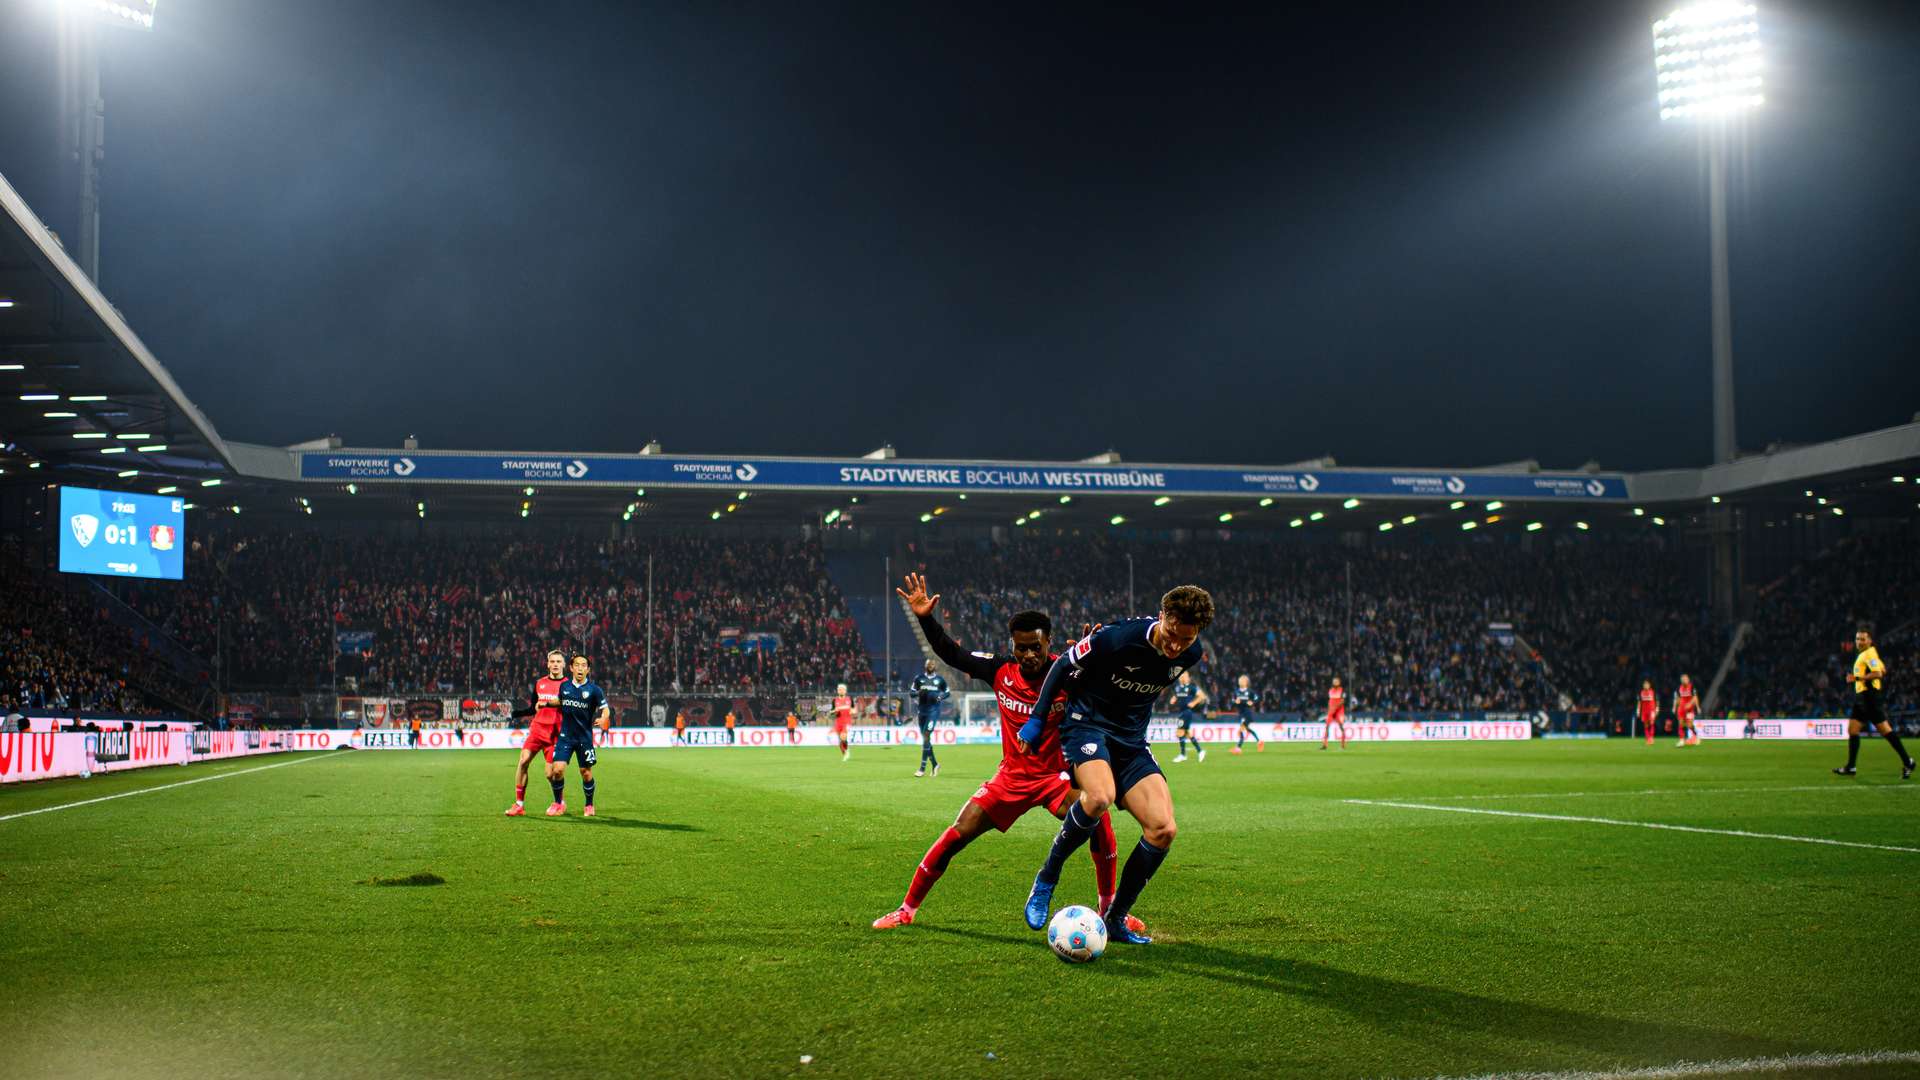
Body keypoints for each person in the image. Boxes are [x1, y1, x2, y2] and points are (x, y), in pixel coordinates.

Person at [872, 573, 1143, 936]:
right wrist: (924, 618)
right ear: (1012, 644)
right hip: (1011, 778)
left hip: (1055, 780)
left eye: (1036, 646)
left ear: (1049, 643)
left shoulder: (1068, 673)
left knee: (1099, 818)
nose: (1029, 654)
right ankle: (906, 910)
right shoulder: (999, 669)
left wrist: (1097, 657)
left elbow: (1110, 689)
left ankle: (1110, 911)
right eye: (1021, 647)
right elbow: (953, 654)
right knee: (957, 833)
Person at [1015, 584, 1214, 946]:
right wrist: (1038, 718)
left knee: (1163, 829)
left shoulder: (1191, 653)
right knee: (1099, 796)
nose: (1174, 647)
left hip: (1131, 741)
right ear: (1163, 616)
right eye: (1171, 635)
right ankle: (1047, 876)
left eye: (1184, 641)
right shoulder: (1118, 638)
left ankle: (1116, 917)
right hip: (1086, 725)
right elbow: (1062, 664)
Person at [1833, 625, 1914, 779]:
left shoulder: (1868, 654)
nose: (1859, 642)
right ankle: (1851, 767)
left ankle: (1908, 761)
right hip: (1861, 698)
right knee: (1853, 730)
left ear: (1870, 640)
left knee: (1885, 731)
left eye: (1863, 639)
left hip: (1869, 697)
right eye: (1857, 639)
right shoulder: (1868, 654)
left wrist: (1857, 678)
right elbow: (1882, 669)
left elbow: (1878, 673)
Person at [504, 650, 567, 816]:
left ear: (564, 665)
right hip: (537, 729)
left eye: (558, 662)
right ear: (547, 664)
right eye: (552, 661)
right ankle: (519, 805)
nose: (555, 664)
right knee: (523, 761)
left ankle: (559, 802)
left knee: (551, 774)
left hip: (555, 733)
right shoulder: (540, 683)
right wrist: (517, 713)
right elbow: (534, 707)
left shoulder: (569, 685)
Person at [550, 654, 610, 817]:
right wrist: (545, 703)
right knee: (557, 770)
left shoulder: (594, 690)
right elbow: (560, 701)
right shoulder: (564, 687)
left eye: (584, 665)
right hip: (566, 736)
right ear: (571, 668)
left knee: (586, 772)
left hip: (584, 738)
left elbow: (605, 708)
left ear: (588, 670)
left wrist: (603, 717)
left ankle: (589, 805)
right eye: (577, 665)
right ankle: (558, 803)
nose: (580, 668)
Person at [909, 659, 950, 778]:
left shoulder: (940, 680)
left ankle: (922, 768)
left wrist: (940, 697)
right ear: (925, 666)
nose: (930, 666)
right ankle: (935, 765)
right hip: (922, 712)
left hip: (933, 712)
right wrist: (918, 693)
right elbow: (911, 693)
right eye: (928, 664)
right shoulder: (919, 678)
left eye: (932, 664)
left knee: (926, 735)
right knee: (926, 739)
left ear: (935, 666)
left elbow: (947, 692)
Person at [1170, 671, 1208, 763]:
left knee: (1179, 732)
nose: (1182, 678)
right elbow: (1176, 696)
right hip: (1181, 712)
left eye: (1184, 676)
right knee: (1187, 733)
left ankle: (1183, 755)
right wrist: (1173, 699)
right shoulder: (1178, 688)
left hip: (1187, 712)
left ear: (1188, 678)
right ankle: (1200, 751)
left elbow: (1202, 696)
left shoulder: (1191, 688)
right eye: (1181, 676)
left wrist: (1194, 703)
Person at [1229, 674, 1263, 754]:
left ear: (1246, 682)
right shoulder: (1236, 692)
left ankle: (1238, 748)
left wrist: (1252, 702)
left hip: (1247, 713)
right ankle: (1259, 741)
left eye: (1242, 680)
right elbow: (1232, 700)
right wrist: (1235, 702)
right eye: (1240, 680)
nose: (1240, 682)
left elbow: (1257, 698)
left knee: (1241, 729)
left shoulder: (1250, 692)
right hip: (1241, 713)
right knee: (1246, 729)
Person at [1673, 674, 1699, 748]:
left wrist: (1691, 704)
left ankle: (1695, 736)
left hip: (1690, 709)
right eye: (1682, 679)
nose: (1684, 680)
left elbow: (1695, 698)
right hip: (1681, 709)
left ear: (1688, 679)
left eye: (1685, 678)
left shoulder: (1692, 687)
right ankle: (1681, 740)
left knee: (1689, 724)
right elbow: (1677, 698)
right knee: (1681, 723)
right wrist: (1675, 707)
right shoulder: (1679, 688)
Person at [1322, 676, 1348, 750]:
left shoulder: (1342, 690)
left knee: (1341, 727)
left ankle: (1343, 745)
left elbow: (1342, 701)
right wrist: (1329, 709)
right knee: (1327, 727)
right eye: (1334, 681)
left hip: (1338, 711)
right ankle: (1325, 745)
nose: (1335, 682)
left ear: (1339, 682)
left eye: (1336, 681)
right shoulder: (1330, 690)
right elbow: (1330, 701)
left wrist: (1335, 707)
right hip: (1331, 711)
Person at [832, 683, 854, 761]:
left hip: (847, 721)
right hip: (838, 722)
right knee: (840, 741)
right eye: (839, 689)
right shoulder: (834, 700)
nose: (840, 691)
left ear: (845, 691)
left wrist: (853, 711)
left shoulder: (850, 699)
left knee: (843, 736)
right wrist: (835, 711)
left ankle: (847, 752)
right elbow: (832, 712)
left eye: (842, 689)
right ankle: (845, 753)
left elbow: (854, 709)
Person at [1637, 680, 1658, 746]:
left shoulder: (1653, 692)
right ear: (1643, 686)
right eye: (1644, 685)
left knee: (1651, 723)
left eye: (1647, 685)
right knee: (1645, 724)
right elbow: (1639, 702)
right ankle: (1647, 738)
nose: (1646, 686)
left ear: (1649, 685)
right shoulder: (1641, 692)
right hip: (1644, 711)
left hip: (1651, 710)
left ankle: (1651, 738)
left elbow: (1657, 700)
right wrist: (1638, 710)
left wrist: (1657, 709)